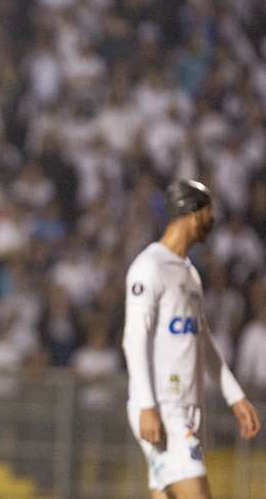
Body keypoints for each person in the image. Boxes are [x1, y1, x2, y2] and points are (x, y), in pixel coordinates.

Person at [122, 179, 261, 499]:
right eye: (209, 212)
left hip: (186, 406)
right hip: (164, 407)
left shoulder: (189, 272)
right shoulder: (149, 267)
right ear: (191, 213)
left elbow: (203, 340)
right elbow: (134, 339)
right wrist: (147, 406)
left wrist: (234, 396)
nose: (212, 221)